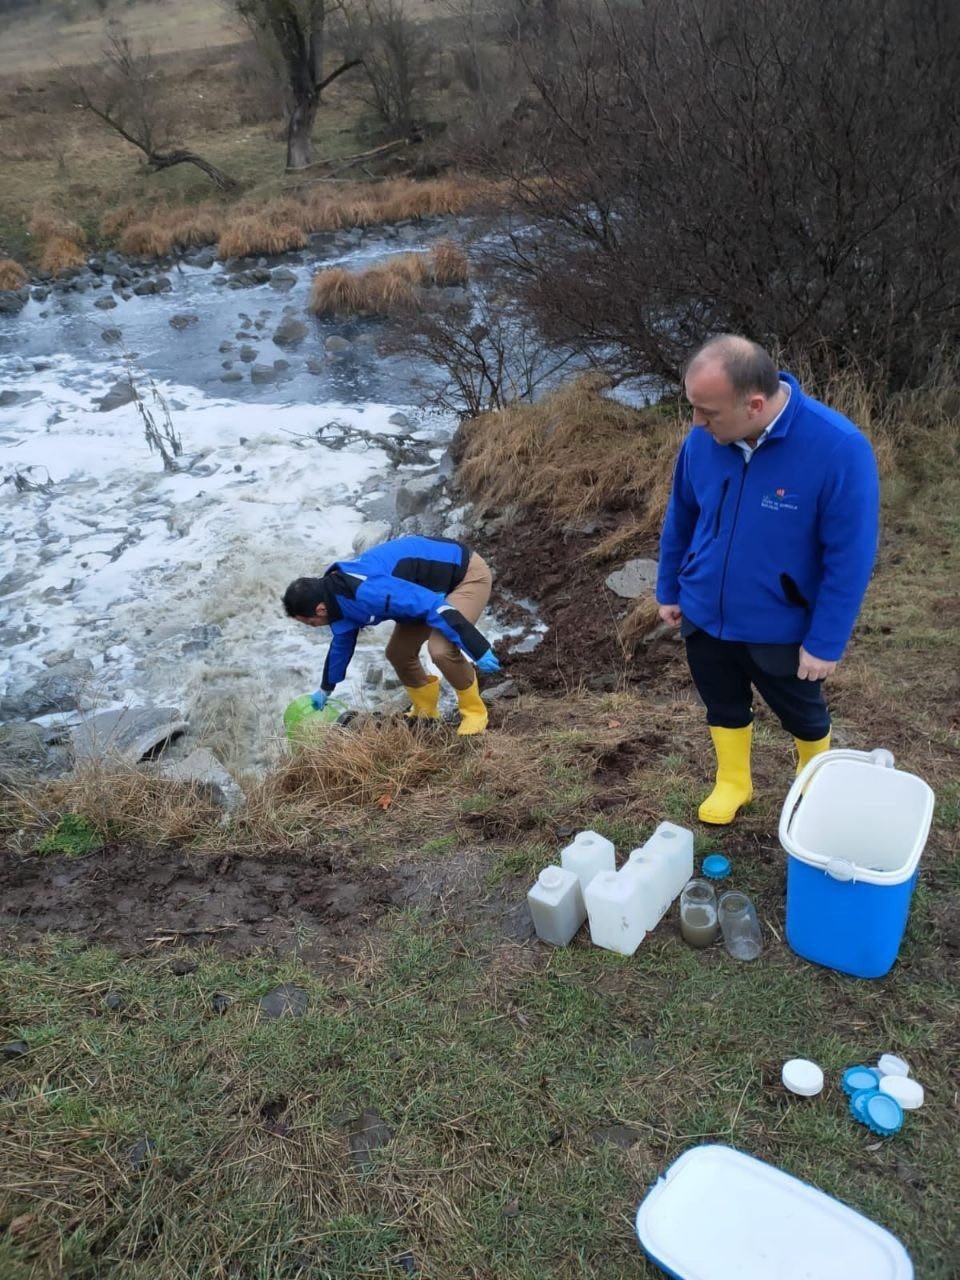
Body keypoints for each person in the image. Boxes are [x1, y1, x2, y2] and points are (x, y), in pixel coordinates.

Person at [656, 334, 880, 825]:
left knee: (802, 712)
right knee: (722, 701)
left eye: (707, 412)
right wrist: (670, 587)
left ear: (754, 405)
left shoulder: (838, 449)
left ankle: (813, 778)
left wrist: (825, 642)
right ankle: (733, 782)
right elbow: (682, 516)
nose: (696, 423)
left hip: (780, 622)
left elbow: (850, 558)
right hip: (704, 611)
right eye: (693, 407)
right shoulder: (703, 441)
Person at [283, 535, 501, 735]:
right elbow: (341, 645)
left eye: (311, 623)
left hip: (464, 576)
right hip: (425, 591)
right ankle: (426, 713)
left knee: (440, 649)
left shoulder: (368, 591)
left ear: (320, 609)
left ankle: (474, 712)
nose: (314, 627)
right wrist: (326, 688)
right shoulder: (337, 599)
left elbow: (433, 606)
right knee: (398, 653)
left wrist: (477, 647)